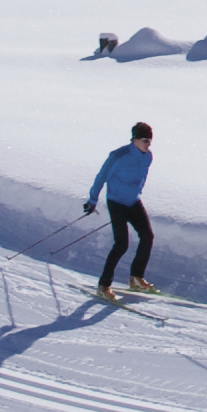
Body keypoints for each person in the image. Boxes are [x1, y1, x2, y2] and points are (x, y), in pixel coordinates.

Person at [86, 122, 158, 297]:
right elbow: (102, 177)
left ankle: (136, 278)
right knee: (121, 244)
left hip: (133, 202)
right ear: (134, 139)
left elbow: (141, 178)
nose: (148, 144)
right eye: (145, 140)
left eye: (150, 141)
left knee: (147, 236)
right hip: (116, 202)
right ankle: (103, 286)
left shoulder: (148, 156)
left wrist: (136, 193)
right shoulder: (119, 156)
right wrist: (92, 200)